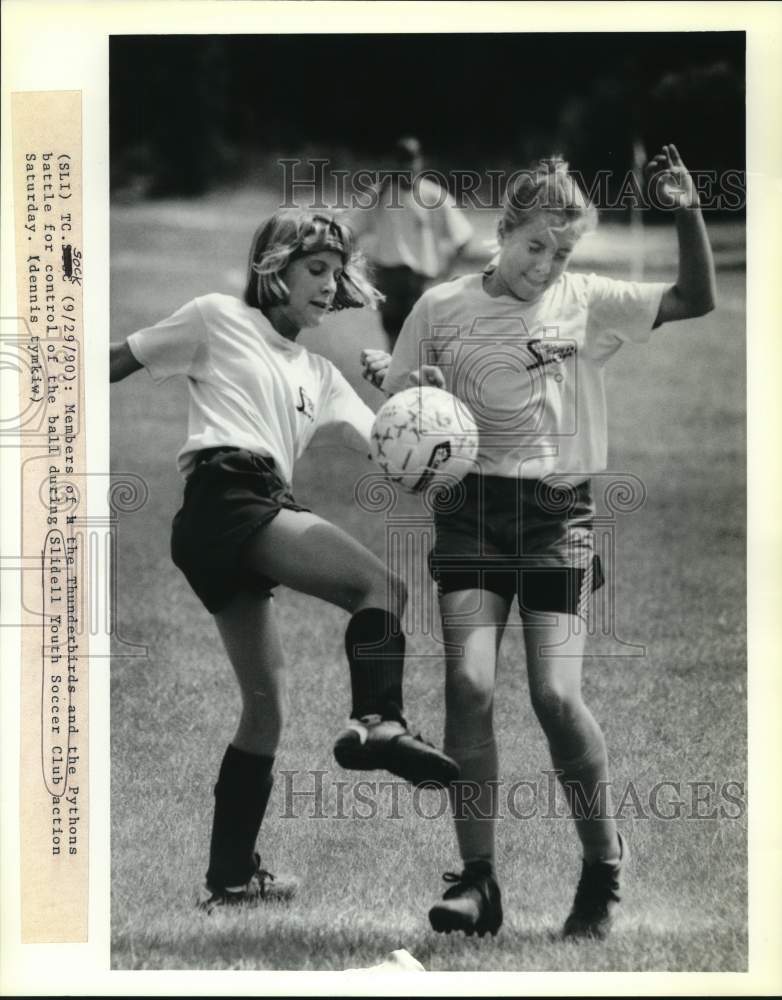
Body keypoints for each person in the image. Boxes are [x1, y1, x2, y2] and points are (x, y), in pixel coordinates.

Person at [361, 145, 716, 939]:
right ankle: (477, 882)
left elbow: (695, 299)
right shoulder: (442, 307)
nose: (548, 265)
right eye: (536, 247)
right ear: (505, 229)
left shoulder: (586, 301)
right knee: (470, 688)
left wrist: (686, 208)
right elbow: (400, 410)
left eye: (562, 252)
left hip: (558, 519)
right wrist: (410, 390)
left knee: (555, 697)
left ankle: (603, 867)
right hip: (471, 514)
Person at [109, 209, 459, 912]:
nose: (330, 287)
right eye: (316, 270)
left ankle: (232, 879)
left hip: (231, 519)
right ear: (275, 266)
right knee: (380, 587)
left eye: (337, 273)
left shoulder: (322, 374)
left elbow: (394, 451)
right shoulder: (216, 318)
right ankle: (378, 720)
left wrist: (423, 400)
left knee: (265, 710)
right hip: (229, 496)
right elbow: (116, 360)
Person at [346, 136, 474, 350]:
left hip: (421, 280)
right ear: (394, 163)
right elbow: (351, 229)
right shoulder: (381, 193)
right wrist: (356, 270)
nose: (406, 167)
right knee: (395, 346)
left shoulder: (433, 196)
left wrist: (445, 274)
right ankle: (399, 382)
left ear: (420, 162)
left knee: (422, 343)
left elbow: (463, 238)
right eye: (401, 161)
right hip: (389, 278)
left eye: (410, 161)